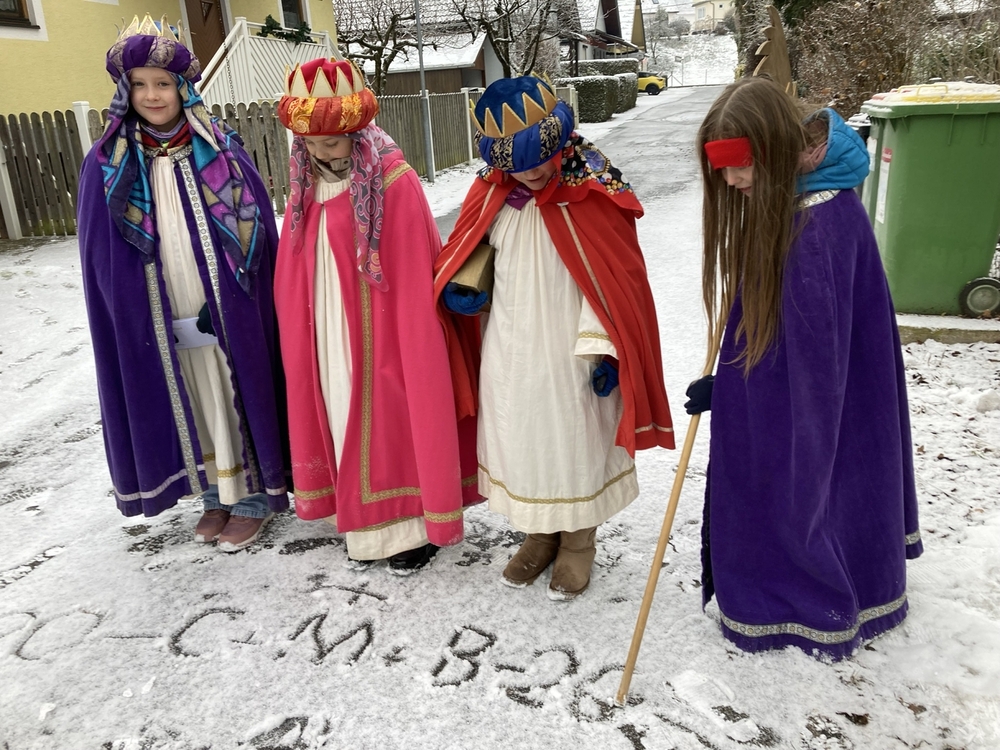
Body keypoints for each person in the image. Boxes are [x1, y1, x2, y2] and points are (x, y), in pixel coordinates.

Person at [689, 76, 923, 659]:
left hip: (819, 394)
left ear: (772, 151)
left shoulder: (814, 227)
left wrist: (736, 392)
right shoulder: (803, 193)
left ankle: (804, 596)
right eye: (721, 167)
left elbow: (811, 377)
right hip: (828, 382)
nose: (730, 180)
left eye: (739, 164)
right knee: (842, 470)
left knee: (815, 478)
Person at [435, 76, 674, 600]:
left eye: (540, 158)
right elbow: (467, 249)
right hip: (511, 342)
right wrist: (460, 287)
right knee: (523, 436)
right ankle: (539, 533)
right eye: (518, 164)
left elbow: (617, 278)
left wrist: (607, 348)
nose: (532, 172)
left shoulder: (593, 185)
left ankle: (578, 541)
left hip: (573, 345)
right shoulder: (491, 190)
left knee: (572, 438)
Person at [77, 15, 289, 550]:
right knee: (189, 391)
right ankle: (214, 491)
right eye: (140, 84)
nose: (152, 95)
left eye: (163, 84)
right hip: (157, 303)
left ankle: (252, 492)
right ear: (125, 91)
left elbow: (257, 233)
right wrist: (130, 308)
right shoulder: (107, 163)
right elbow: (99, 254)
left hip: (224, 301)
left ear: (183, 87)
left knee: (230, 383)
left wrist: (236, 295)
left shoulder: (221, 151)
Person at [273, 57, 479, 573]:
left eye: (332, 143)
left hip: (383, 328)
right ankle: (360, 521)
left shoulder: (393, 179)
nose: (322, 153)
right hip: (326, 326)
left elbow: (412, 267)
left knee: (394, 416)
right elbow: (295, 259)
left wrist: (410, 336)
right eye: (311, 144)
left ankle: (409, 527)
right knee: (340, 408)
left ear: (356, 133)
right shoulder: (305, 184)